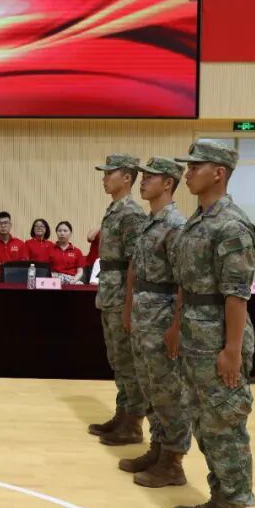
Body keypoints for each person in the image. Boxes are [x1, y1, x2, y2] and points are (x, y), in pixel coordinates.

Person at [169, 140, 255, 508]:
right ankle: (220, 499)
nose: (187, 173)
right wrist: (176, 325)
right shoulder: (198, 219)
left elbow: (236, 294)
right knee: (205, 424)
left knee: (226, 425)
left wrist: (232, 350)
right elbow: (187, 281)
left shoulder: (232, 225)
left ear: (218, 173)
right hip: (195, 334)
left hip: (219, 337)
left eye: (195, 167)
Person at [120, 157, 191, 488]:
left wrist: (176, 326)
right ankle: (158, 449)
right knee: (150, 387)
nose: (143, 181)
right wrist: (128, 308)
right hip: (144, 313)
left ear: (168, 183)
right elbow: (135, 270)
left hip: (163, 314)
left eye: (150, 177)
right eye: (143, 177)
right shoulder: (149, 222)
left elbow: (184, 280)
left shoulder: (175, 225)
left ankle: (173, 462)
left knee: (168, 391)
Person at [88, 154, 149, 446]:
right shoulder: (114, 210)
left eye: (109, 173)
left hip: (122, 295)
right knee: (117, 359)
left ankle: (133, 424)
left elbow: (135, 262)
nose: (104, 178)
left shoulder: (131, 214)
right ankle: (122, 415)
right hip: (109, 293)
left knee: (128, 363)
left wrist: (129, 306)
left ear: (126, 178)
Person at [0, 211, 28, 283]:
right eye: (0, 224)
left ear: (10, 225)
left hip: (15, 282)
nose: (3, 226)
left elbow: (23, 265)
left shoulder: (20, 244)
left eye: (5, 223)